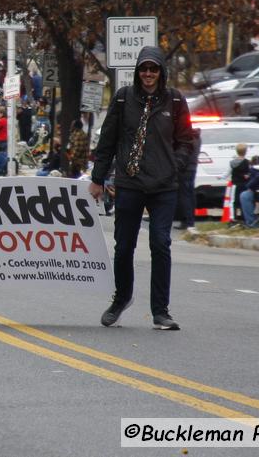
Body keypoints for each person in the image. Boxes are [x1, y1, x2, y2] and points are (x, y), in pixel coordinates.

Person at [90, 46, 194, 331]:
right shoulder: (124, 99)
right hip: (130, 182)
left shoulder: (174, 100)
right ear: (137, 72)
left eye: (154, 69)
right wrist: (98, 179)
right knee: (124, 246)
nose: (148, 74)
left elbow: (186, 140)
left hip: (163, 185)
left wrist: (176, 165)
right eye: (144, 69)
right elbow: (107, 142)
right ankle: (121, 298)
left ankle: (160, 311)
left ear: (161, 72)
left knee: (161, 243)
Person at [228, 143, 251, 223]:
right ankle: (244, 216)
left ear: (236, 151)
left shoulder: (232, 163)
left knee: (233, 201)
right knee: (243, 201)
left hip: (235, 184)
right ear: (246, 152)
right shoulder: (248, 162)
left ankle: (233, 217)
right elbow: (249, 173)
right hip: (245, 185)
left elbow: (228, 172)